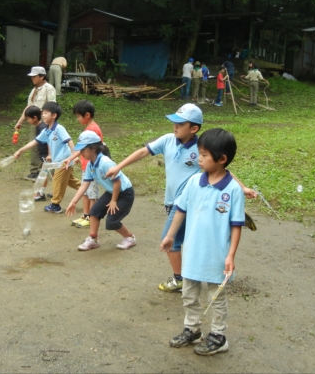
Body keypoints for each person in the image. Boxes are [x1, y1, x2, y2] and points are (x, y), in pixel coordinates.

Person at [105, 104, 255, 292]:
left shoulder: (202, 148)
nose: (175, 126)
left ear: (194, 128)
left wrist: (242, 187)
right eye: (174, 122)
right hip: (171, 201)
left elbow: (222, 169)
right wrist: (118, 167)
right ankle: (195, 273)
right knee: (188, 238)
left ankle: (180, 279)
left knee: (170, 239)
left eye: (180, 123)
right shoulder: (168, 140)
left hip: (186, 202)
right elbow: (143, 151)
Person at [161, 128, 245, 356]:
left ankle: (218, 336)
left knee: (216, 298)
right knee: (189, 293)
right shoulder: (194, 181)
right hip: (192, 252)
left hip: (217, 256)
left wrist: (231, 255)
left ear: (222, 159)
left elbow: (237, 225)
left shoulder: (233, 190)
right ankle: (192, 329)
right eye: (199, 153)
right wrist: (170, 235)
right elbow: (181, 209)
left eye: (204, 154)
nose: (199, 158)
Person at [65, 131, 137, 251]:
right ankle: (93, 239)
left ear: (93, 149)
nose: (80, 153)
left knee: (112, 221)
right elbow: (84, 186)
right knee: (94, 212)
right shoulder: (90, 165)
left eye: (83, 149)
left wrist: (113, 201)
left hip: (124, 193)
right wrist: (73, 202)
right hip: (112, 191)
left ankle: (130, 238)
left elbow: (117, 182)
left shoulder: (105, 162)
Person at [14, 101, 80, 214]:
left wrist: (74, 156)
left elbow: (69, 141)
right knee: (69, 181)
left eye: (45, 113)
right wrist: (21, 150)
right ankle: (88, 189)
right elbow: (35, 142)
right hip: (58, 161)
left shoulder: (59, 128)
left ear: (54, 115)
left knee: (58, 182)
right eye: (42, 113)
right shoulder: (46, 131)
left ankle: (55, 205)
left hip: (64, 161)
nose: (43, 115)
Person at [62, 100, 103, 227]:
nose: (77, 119)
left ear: (87, 115)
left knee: (92, 194)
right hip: (86, 166)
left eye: (78, 116)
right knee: (85, 192)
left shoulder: (93, 129)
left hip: (92, 168)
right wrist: (74, 158)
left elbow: (86, 149)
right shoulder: (89, 129)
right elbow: (82, 149)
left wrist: (71, 157)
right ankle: (85, 215)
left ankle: (92, 216)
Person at [15, 66, 56, 181]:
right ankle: (34, 171)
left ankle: (44, 171)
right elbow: (28, 107)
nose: (32, 78)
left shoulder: (49, 88)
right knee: (33, 145)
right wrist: (20, 121)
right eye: (31, 76)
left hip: (45, 122)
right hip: (34, 122)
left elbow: (52, 106)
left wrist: (48, 122)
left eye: (34, 76)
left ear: (42, 76)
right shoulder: (34, 90)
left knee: (45, 147)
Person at [21, 106, 49, 201]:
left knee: (44, 174)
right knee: (45, 174)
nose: (27, 120)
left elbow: (49, 142)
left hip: (48, 155)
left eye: (28, 118)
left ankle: (41, 193)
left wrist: (49, 155)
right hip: (45, 155)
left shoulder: (42, 128)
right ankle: (42, 192)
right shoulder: (39, 127)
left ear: (35, 118)